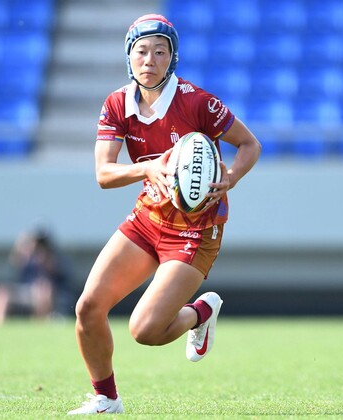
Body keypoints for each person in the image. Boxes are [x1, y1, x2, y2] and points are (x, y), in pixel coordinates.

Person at [68, 14, 261, 415]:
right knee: (88, 308)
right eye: (141, 51)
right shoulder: (117, 104)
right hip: (148, 219)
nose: (150, 60)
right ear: (129, 57)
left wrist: (231, 177)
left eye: (160, 51)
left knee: (146, 331)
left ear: (172, 58)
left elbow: (249, 144)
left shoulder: (197, 102)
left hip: (196, 230)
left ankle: (200, 313)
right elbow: (104, 174)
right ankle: (106, 399)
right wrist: (147, 169)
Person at [0, 228, 74, 326]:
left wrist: (48, 263)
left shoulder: (56, 259)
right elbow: (14, 263)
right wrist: (22, 244)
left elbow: (65, 284)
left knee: (44, 290)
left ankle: (40, 326)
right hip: (27, 292)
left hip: (49, 296)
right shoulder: (29, 258)